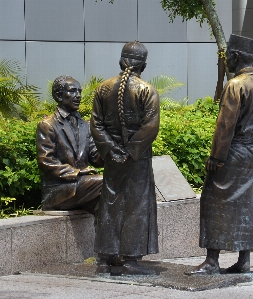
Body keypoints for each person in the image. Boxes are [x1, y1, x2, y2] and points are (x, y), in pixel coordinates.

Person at [188, 34, 253, 275]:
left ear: (236, 56)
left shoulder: (235, 85)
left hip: (231, 153)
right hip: (249, 152)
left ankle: (212, 261)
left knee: (212, 200)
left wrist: (216, 157)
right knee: (245, 204)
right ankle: (244, 260)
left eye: (228, 55)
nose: (225, 59)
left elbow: (225, 125)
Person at [90, 41, 160, 275]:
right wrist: (130, 152)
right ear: (144, 65)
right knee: (136, 205)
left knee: (110, 203)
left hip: (112, 159)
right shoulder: (146, 90)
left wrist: (111, 150)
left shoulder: (102, 89)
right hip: (136, 159)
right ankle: (129, 259)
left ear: (121, 62)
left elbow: (96, 124)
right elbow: (151, 126)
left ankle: (106, 258)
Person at [36, 75, 103, 214]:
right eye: (72, 91)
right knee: (105, 182)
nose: (78, 95)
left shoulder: (85, 125)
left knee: (110, 203)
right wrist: (77, 173)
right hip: (60, 190)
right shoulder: (48, 125)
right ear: (58, 95)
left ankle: (108, 235)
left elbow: (96, 157)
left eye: (79, 91)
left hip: (84, 187)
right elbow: (46, 161)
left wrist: (115, 149)